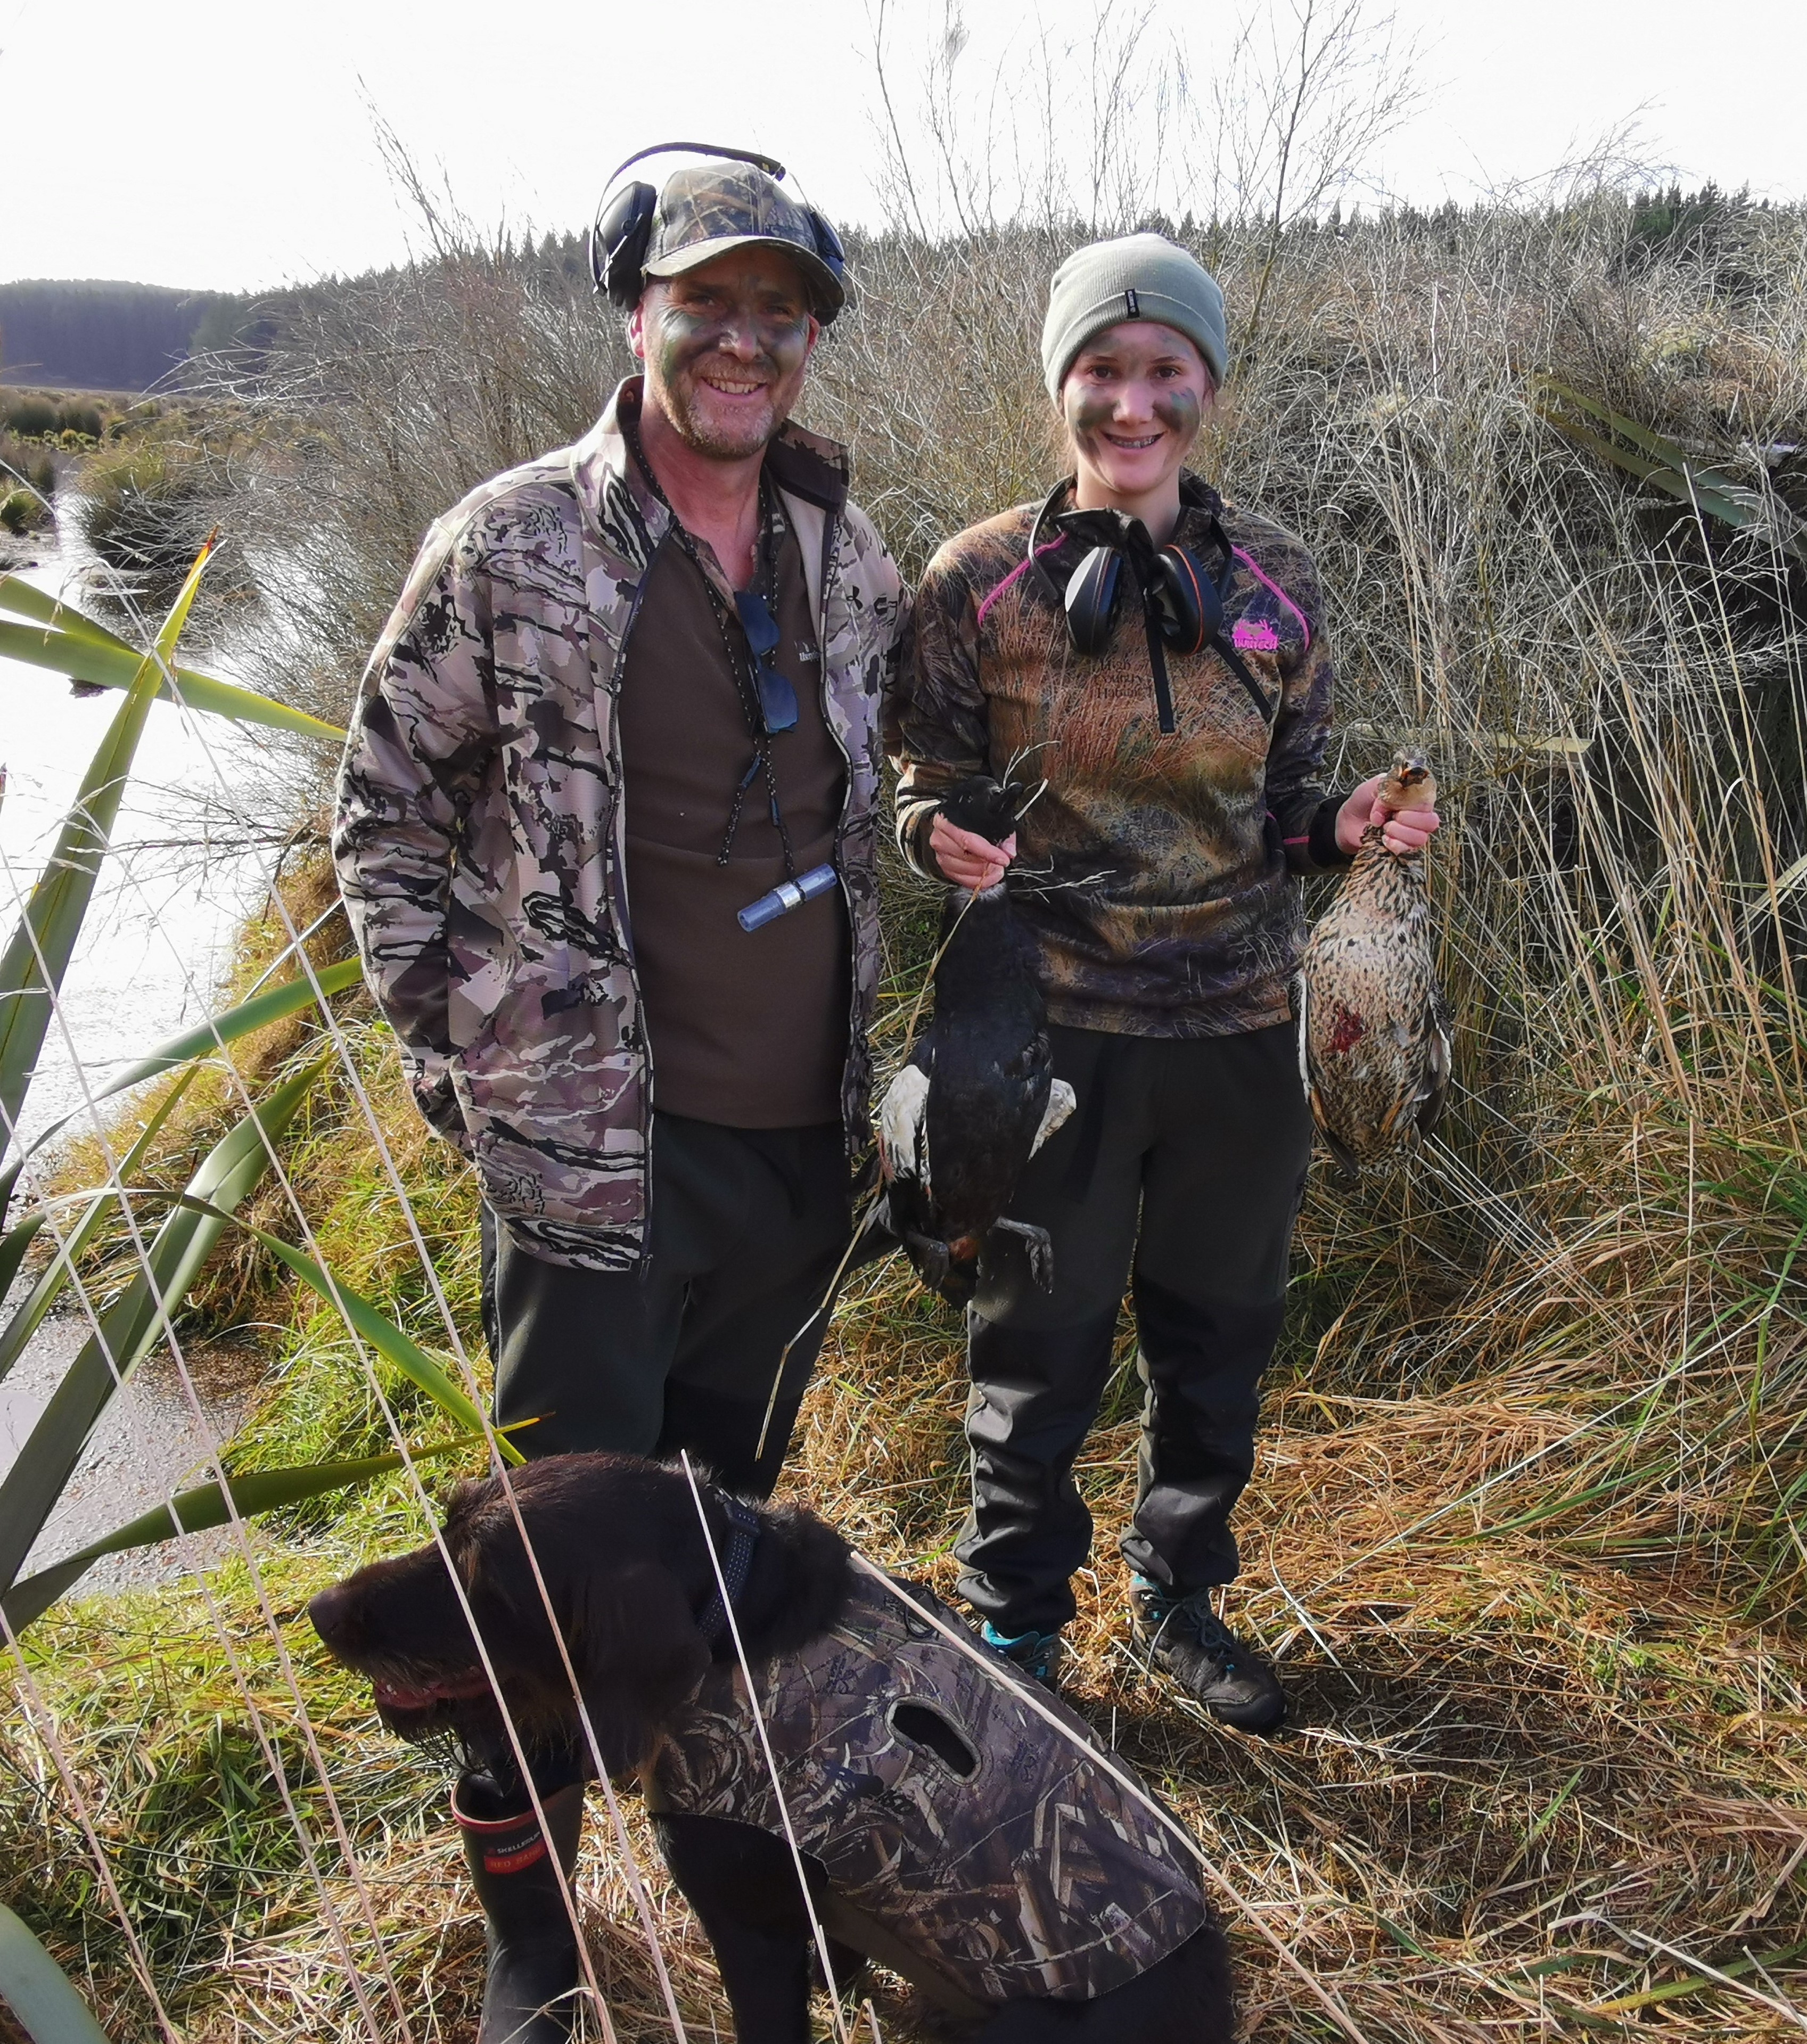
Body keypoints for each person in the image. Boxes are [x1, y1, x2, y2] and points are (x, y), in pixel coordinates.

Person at [333, 150, 907, 2041]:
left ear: (809, 337)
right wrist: (468, 1045)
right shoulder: (510, 541)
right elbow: (383, 809)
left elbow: (865, 788)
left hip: (793, 1162)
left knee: (713, 1557)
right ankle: (532, 1943)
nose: (745, 339)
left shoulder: (845, 546)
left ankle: (725, 1877)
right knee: (542, 1586)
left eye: (780, 311)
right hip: (589, 1166)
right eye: (706, 301)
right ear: (635, 310)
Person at [890, 234, 1439, 1735]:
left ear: (1205, 386)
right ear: (1059, 383)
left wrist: (1349, 829)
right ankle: (1015, 1627)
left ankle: (1180, 1598)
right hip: (1044, 1036)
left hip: (1242, 1035)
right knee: (1035, 1348)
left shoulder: (1272, 579)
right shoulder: (977, 581)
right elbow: (919, 781)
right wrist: (931, 833)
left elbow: (1290, 803)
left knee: (1216, 1343)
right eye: (1102, 371)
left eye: (1163, 373)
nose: (1132, 404)